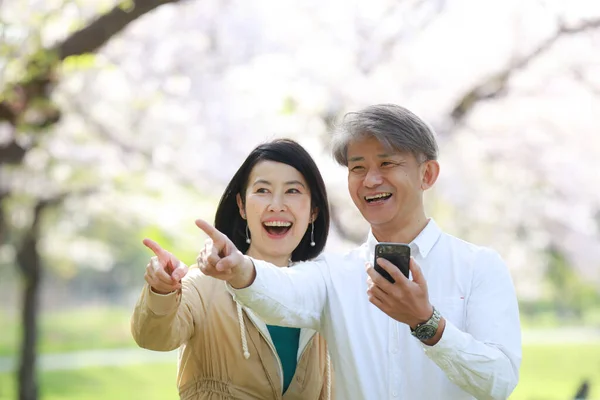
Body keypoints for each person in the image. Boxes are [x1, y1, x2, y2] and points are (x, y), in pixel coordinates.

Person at [194, 104, 522, 400]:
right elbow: (282, 290)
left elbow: (499, 380)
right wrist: (240, 269)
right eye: (358, 168)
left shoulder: (478, 267)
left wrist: (427, 323)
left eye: (387, 163)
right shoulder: (334, 274)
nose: (370, 180)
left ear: (428, 174)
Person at [131, 139, 334, 399]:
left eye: (292, 191)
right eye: (262, 190)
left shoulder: (321, 293)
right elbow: (153, 338)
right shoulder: (203, 285)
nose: (276, 205)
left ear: (314, 211)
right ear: (241, 205)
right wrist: (162, 290)